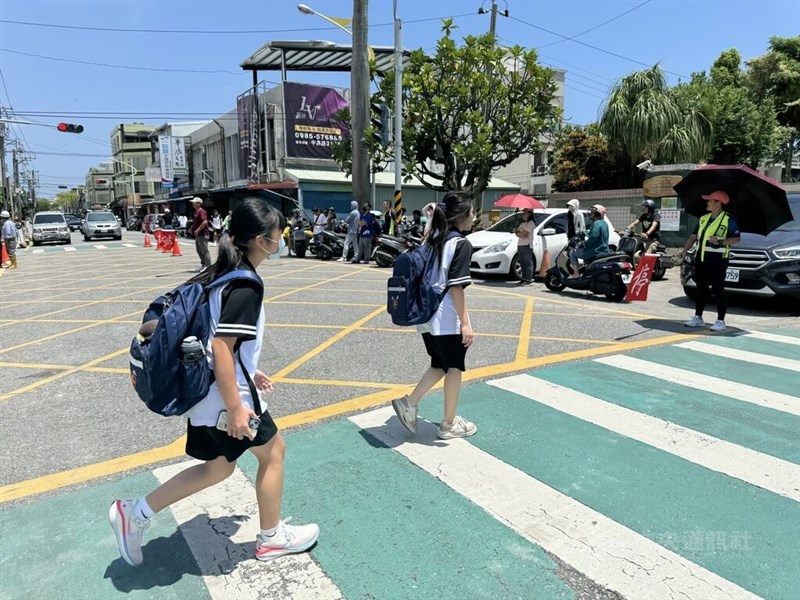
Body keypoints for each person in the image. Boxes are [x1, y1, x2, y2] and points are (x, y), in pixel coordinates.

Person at [109, 198, 319, 567]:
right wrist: (237, 407)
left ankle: (135, 513)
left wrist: (249, 369)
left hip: (207, 394)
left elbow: (213, 339)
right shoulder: (246, 284)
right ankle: (271, 539)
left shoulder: (219, 274)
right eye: (277, 234)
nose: (281, 239)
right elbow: (222, 346)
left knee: (218, 467)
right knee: (274, 454)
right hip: (227, 399)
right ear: (260, 240)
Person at [391, 192, 477, 440]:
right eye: (471, 212)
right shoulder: (461, 244)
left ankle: (409, 403)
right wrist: (466, 323)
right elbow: (457, 287)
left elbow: (427, 237)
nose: (473, 216)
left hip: (427, 317)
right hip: (446, 318)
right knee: (454, 368)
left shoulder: (434, 239)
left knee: (440, 364)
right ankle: (449, 425)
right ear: (462, 216)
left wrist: (430, 217)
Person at [680, 190, 740, 332]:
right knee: (701, 289)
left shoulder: (729, 220)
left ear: (718, 203)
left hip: (718, 261)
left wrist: (720, 241)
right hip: (701, 260)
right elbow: (693, 236)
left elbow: (737, 239)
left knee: (718, 289)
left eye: (710, 200)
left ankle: (720, 321)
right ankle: (698, 317)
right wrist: (684, 251)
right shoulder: (703, 219)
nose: (707, 203)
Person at [569, 204, 609, 278]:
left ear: (596, 214)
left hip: (595, 251)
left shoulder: (596, 224)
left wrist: (582, 243)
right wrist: (585, 232)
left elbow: (592, 239)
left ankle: (576, 274)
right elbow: (593, 233)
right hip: (603, 250)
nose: (590, 213)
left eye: (592, 212)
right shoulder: (604, 223)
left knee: (572, 253)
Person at [190, 197, 211, 270]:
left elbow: (205, 222)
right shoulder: (196, 212)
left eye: (194, 202)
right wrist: (192, 228)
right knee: (198, 250)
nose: (193, 204)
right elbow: (196, 222)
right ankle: (203, 264)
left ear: (198, 203)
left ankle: (208, 266)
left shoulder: (202, 211)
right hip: (198, 235)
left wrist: (198, 230)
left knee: (204, 251)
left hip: (203, 234)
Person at [515, 207, 535, 285]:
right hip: (520, 244)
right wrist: (518, 234)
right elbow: (519, 233)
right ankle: (523, 278)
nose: (523, 214)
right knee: (522, 262)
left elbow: (524, 234)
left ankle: (529, 279)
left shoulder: (531, 223)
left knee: (527, 263)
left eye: (525, 212)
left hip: (527, 245)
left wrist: (519, 234)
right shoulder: (523, 223)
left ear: (530, 213)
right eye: (523, 212)